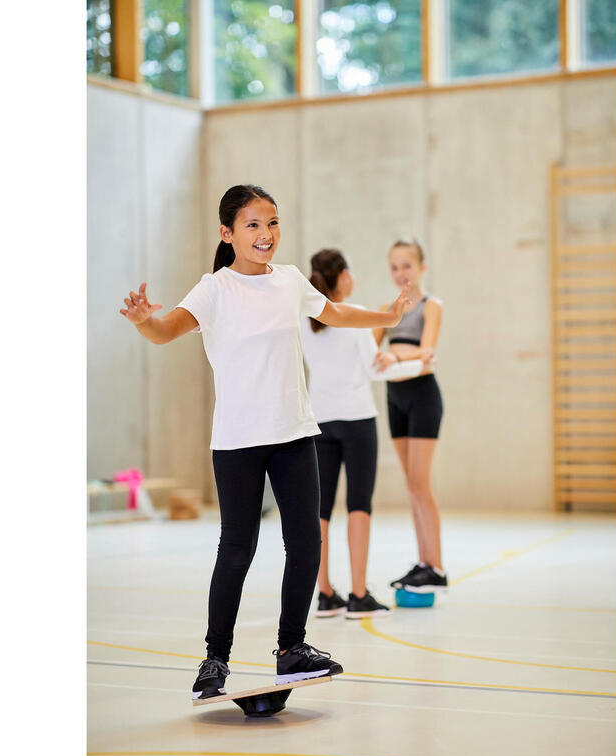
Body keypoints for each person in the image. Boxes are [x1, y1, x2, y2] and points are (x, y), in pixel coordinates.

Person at [119, 185, 413, 699]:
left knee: (305, 544)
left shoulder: (291, 281)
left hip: (294, 433)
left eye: (273, 223)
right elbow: (166, 331)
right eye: (254, 225)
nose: (266, 234)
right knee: (238, 548)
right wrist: (145, 320)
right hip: (236, 440)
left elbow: (335, 314)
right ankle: (215, 660)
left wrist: (386, 317)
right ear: (227, 233)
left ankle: (292, 648)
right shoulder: (214, 289)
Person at [301, 249, 434, 619]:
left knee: (321, 510)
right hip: (357, 422)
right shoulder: (354, 317)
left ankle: (325, 594)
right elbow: (377, 371)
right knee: (359, 506)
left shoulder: (305, 319)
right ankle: (359, 595)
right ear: (343, 276)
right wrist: (417, 362)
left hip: (319, 422)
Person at [373, 238, 447, 594]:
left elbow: (427, 353)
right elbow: (368, 348)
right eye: (395, 267)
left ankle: (437, 565)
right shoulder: (387, 308)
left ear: (421, 268)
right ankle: (423, 562)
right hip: (394, 397)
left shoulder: (432, 305)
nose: (401, 273)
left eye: (407, 265)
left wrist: (395, 357)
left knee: (421, 483)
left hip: (422, 396)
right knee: (411, 485)